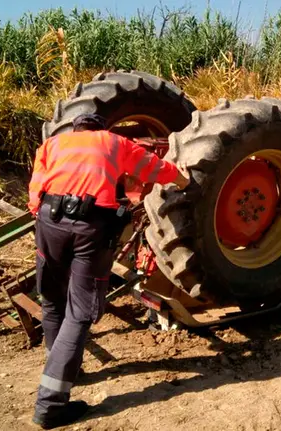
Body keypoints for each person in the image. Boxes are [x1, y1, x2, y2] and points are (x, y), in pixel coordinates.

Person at [27, 113, 190, 429]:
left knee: (52, 298)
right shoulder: (114, 142)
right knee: (80, 313)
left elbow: (36, 188)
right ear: (101, 129)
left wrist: (47, 221)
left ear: (76, 129)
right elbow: (153, 168)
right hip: (90, 229)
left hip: (48, 222)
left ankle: (64, 366)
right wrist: (180, 179)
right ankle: (50, 405)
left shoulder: (52, 144)